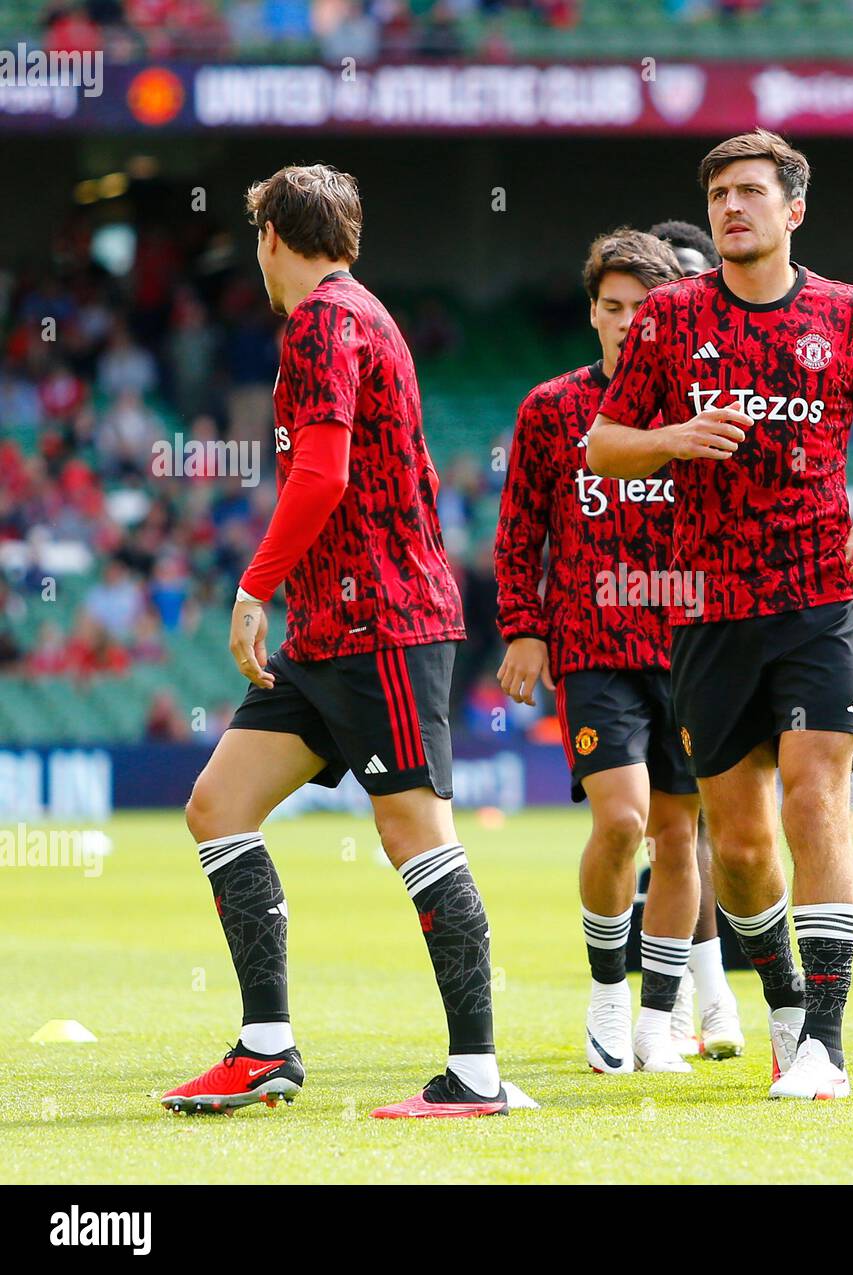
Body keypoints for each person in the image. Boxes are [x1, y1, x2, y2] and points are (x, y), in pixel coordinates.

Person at [587, 129, 853, 1100]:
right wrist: (669, 438)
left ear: (793, 208)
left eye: (750, 192)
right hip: (706, 608)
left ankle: (823, 1041)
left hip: (824, 596)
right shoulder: (665, 321)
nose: (731, 209)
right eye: (718, 197)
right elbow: (604, 445)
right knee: (737, 847)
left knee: (815, 800)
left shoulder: (848, 314)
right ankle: (784, 1002)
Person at [164, 164, 506, 1118]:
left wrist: (250, 589)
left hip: (382, 622)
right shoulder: (356, 314)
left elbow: (319, 475)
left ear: (272, 236)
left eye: (259, 241)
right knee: (217, 805)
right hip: (330, 632)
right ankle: (266, 1046)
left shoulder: (321, 321)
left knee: (414, 832)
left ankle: (476, 1072)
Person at [496, 228, 732, 1074]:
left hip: (695, 645)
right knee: (624, 819)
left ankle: (658, 1019)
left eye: (644, 308)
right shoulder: (552, 409)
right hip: (594, 644)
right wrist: (524, 626)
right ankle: (605, 992)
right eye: (612, 307)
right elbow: (520, 530)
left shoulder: (707, 410)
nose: (628, 323)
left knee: (680, 836)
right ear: (593, 312)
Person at [646, 218, 744, 1059]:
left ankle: (714, 1000)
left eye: (686, 271)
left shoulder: (737, 364)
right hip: (621, 631)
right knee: (656, 828)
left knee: (712, 828)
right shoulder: (624, 382)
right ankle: (675, 1003)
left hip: (719, 615)